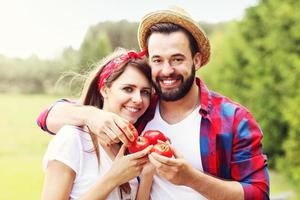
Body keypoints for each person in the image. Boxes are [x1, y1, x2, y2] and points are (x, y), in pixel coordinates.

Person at [37, 7, 270, 200]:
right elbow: (46, 117)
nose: (167, 70)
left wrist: (191, 178)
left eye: (177, 59)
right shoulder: (138, 112)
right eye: (158, 60)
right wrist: (91, 116)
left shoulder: (233, 119)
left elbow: (258, 193)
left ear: (196, 60)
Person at [41, 48, 155, 200]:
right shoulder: (73, 139)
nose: (138, 99)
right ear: (105, 90)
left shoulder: (129, 145)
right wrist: (113, 178)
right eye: (128, 89)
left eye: (145, 92)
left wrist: (147, 175)